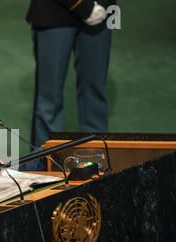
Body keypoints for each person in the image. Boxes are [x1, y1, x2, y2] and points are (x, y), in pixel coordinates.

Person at [26, 0, 116, 166]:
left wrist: (103, 4)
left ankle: (95, 163)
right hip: (54, 12)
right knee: (49, 99)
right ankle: (44, 166)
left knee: (94, 93)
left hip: (102, 13)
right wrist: (84, 7)